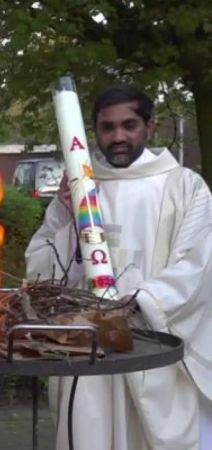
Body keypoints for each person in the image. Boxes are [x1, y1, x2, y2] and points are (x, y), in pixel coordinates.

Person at [26, 85, 212, 450]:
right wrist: (67, 216)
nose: (119, 137)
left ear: (149, 125)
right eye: (107, 128)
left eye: (129, 125)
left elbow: (199, 264)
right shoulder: (78, 188)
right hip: (89, 343)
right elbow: (41, 270)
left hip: (155, 341)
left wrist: (142, 301)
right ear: (93, 130)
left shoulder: (184, 187)